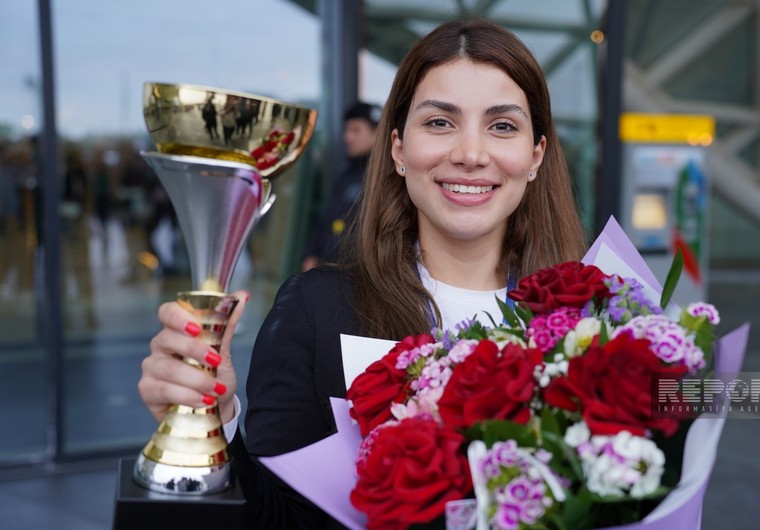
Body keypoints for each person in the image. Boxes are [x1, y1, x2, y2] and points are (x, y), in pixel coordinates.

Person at [138, 18, 587, 529]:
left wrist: (684, 378)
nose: (470, 154)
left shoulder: (596, 310)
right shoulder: (316, 310)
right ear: (398, 150)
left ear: (536, 155)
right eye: (440, 122)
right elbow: (274, 519)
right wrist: (215, 424)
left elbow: (689, 411)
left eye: (502, 125)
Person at [301, 101, 382, 272]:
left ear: (376, 133)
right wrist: (310, 255)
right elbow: (325, 220)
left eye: (356, 130)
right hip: (325, 274)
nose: (348, 137)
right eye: (346, 130)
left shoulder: (385, 178)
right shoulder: (345, 174)